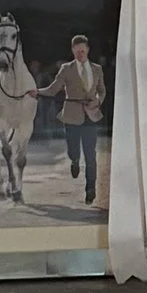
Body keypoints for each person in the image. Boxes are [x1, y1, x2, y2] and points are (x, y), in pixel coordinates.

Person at [49, 32, 108, 204]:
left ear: (87, 50)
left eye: (82, 50)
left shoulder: (97, 69)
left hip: (90, 116)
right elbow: (54, 88)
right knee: (73, 149)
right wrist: (37, 91)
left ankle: (91, 189)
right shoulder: (66, 69)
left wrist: (97, 100)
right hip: (72, 115)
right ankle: (74, 160)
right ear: (73, 51)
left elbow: (102, 90)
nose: (80, 54)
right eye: (77, 51)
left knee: (91, 155)